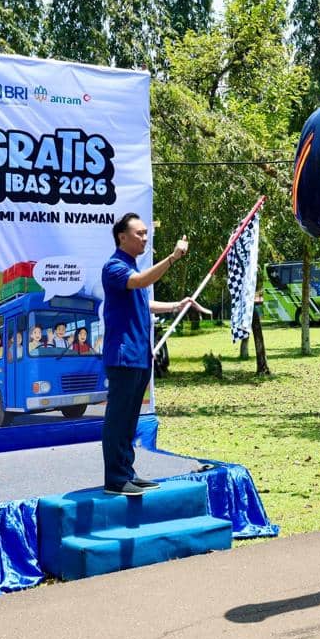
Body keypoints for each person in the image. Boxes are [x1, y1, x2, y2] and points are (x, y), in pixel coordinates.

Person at [101, 212, 208, 496]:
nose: (145, 238)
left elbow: (143, 302)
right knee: (118, 419)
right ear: (122, 237)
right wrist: (172, 258)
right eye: (139, 233)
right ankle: (115, 480)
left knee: (129, 420)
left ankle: (127, 473)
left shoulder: (131, 268)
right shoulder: (115, 267)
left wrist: (176, 305)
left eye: (146, 233)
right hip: (123, 356)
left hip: (139, 355)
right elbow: (138, 282)